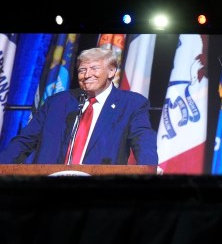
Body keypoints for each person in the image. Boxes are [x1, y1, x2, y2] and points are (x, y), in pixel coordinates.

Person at [0, 47, 159, 166]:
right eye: (82, 70)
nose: (87, 75)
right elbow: (24, 142)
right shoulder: (56, 102)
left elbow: (144, 142)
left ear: (111, 72)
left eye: (94, 68)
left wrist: (147, 171)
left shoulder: (131, 104)